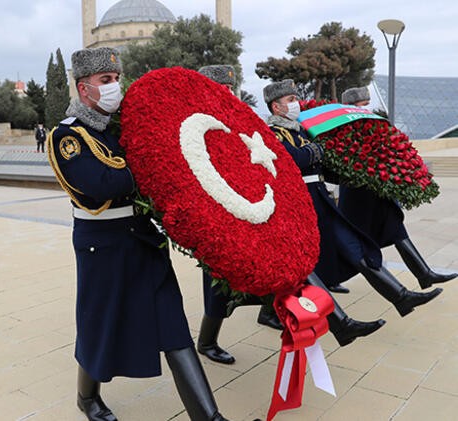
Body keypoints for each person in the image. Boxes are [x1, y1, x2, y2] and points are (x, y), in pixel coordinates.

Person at [48, 47, 231, 421]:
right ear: (84, 89)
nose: (115, 86)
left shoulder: (126, 127)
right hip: (103, 244)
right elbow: (98, 184)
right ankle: (88, 397)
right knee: (101, 323)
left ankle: (210, 417)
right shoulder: (68, 136)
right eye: (105, 81)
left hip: (144, 239)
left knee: (174, 326)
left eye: (116, 79)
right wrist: (152, 166)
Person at [193, 67, 383, 365]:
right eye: (220, 87)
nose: (227, 93)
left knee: (286, 266)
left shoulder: (239, 120)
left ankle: (339, 322)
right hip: (220, 214)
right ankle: (207, 341)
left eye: (230, 87)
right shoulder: (195, 123)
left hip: (256, 206)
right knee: (219, 288)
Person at [263, 79, 442, 318]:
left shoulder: (301, 131)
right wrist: (315, 152)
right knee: (306, 266)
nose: (296, 104)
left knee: (354, 247)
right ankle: (288, 314)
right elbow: (295, 159)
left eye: (295, 98)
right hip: (302, 206)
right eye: (290, 100)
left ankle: (400, 297)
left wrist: (353, 172)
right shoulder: (272, 134)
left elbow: (319, 164)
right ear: (276, 107)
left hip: (320, 201)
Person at [338, 87, 457, 289]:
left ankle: (424, 274)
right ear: (350, 107)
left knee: (395, 227)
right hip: (357, 194)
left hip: (378, 192)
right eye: (363, 105)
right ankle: (329, 280)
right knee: (351, 240)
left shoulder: (373, 126)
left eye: (368, 103)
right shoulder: (342, 130)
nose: (368, 108)